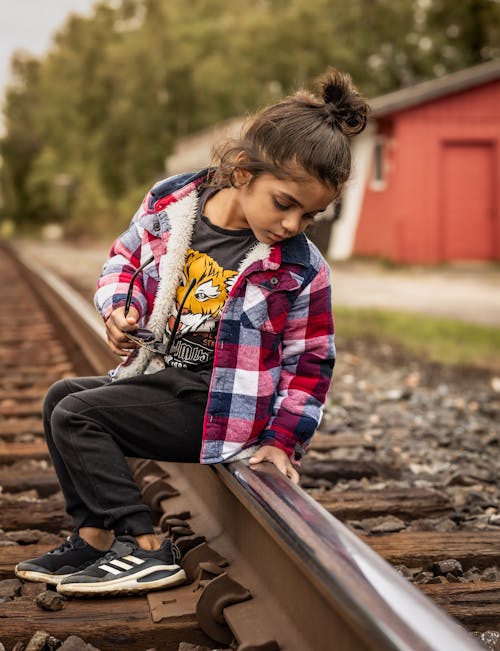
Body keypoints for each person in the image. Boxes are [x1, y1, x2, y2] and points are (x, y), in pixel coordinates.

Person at [15, 69, 369, 597]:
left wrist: (281, 442)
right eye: (284, 203)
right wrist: (120, 309)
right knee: (60, 397)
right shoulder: (171, 205)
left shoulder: (301, 267)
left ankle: (145, 547)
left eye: (310, 215)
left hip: (222, 406)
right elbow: (124, 260)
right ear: (244, 172)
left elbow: (311, 362)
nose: (294, 224)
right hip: (169, 381)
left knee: (78, 414)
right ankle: (92, 535)